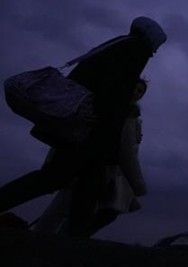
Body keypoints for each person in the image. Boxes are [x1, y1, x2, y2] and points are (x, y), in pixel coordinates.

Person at [0, 17, 166, 235]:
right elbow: (113, 91)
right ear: (151, 37)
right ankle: (72, 240)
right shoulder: (135, 50)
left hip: (81, 126)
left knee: (82, 184)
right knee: (60, 179)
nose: (155, 51)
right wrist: (105, 121)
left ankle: (73, 239)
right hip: (91, 131)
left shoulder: (116, 44)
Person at [33, 79, 149, 236]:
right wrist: (137, 184)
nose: (136, 93)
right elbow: (126, 150)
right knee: (68, 205)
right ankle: (49, 237)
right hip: (90, 164)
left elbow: (129, 149)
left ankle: (59, 238)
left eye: (140, 91)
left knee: (96, 210)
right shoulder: (113, 109)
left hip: (107, 169)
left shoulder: (132, 116)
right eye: (134, 88)